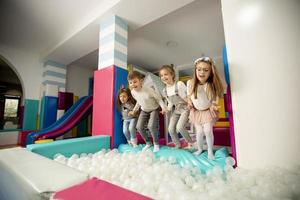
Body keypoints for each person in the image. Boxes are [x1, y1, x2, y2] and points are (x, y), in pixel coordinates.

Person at [187, 57, 224, 159]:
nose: (201, 72)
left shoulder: (211, 84)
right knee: (199, 132)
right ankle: (199, 149)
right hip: (196, 112)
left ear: (210, 72)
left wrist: (214, 105)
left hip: (207, 112)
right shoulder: (190, 83)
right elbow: (189, 96)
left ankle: (210, 151)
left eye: (205, 70)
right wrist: (189, 103)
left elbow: (215, 98)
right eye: (199, 69)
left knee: (207, 131)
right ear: (195, 70)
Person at [128, 71, 167, 152]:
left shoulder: (148, 90)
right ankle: (148, 143)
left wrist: (163, 107)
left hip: (154, 109)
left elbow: (158, 98)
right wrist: (134, 111)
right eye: (130, 83)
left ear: (141, 81)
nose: (133, 84)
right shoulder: (133, 92)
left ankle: (156, 144)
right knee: (139, 127)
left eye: (135, 82)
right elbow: (139, 101)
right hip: (144, 110)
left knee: (151, 126)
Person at [159, 64, 193, 149]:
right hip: (177, 109)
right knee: (170, 129)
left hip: (185, 108)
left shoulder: (179, 84)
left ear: (172, 75)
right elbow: (170, 102)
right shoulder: (164, 90)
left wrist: (190, 103)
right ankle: (177, 145)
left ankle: (190, 143)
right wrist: (167, 109)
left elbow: (188, 95)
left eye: (166, 74)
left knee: (180, 127)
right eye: (161, 75)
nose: (163, 77)